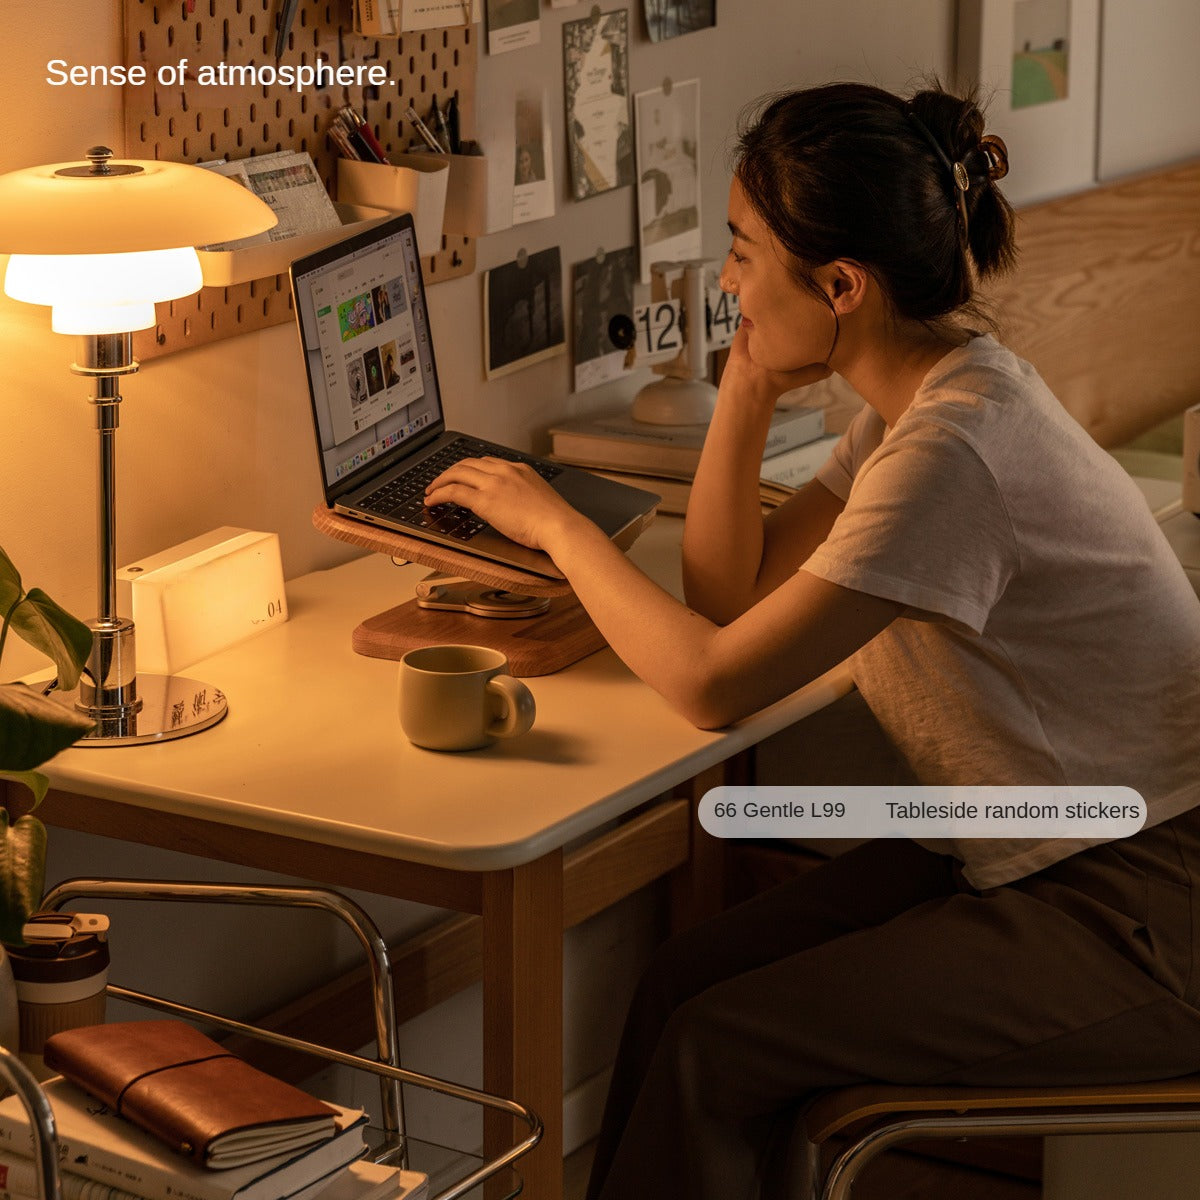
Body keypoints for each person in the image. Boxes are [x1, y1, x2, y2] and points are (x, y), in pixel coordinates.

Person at [425, 81, 1200, 1200]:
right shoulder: (926, 401)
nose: (727, 279)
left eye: (742, 253)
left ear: (842, 286)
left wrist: (551, 521)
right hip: (1053, 850)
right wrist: (743, 377)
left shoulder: (952, 457)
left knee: (719, 1044)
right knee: (685, 978)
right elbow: (730, 586)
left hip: (1144, 906)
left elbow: (708, 680)